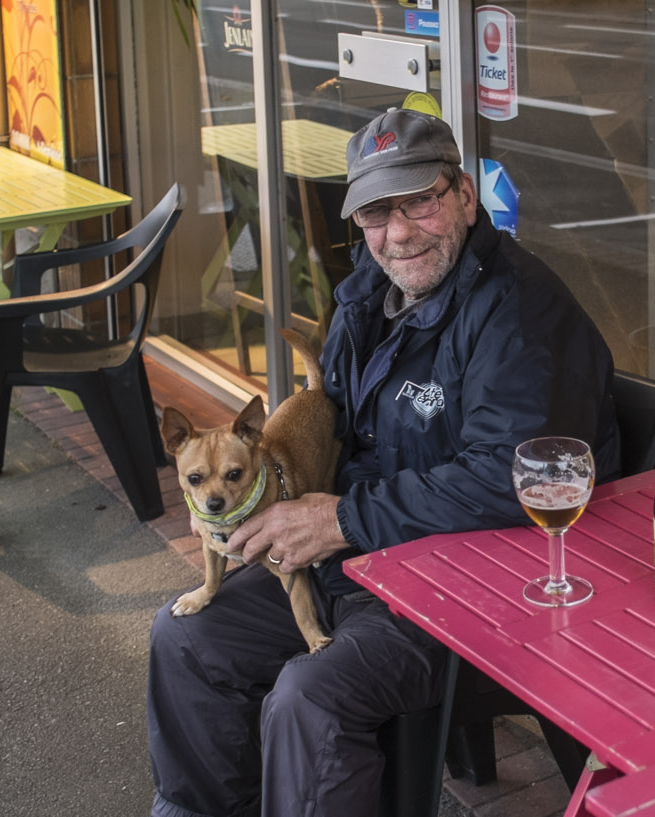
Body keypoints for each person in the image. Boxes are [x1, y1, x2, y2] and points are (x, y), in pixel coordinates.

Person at [146, 108, 620, 817]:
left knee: (309, 697)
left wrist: (340, 518)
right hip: (359, 563)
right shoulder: (367, 297)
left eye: (419, 201)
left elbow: (510, 477)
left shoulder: (516, 314)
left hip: (468, 586)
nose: (397, 233)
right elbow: (330, 426)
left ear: (462, 193)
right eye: (374, 212)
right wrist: (276, 497)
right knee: (186, 638)